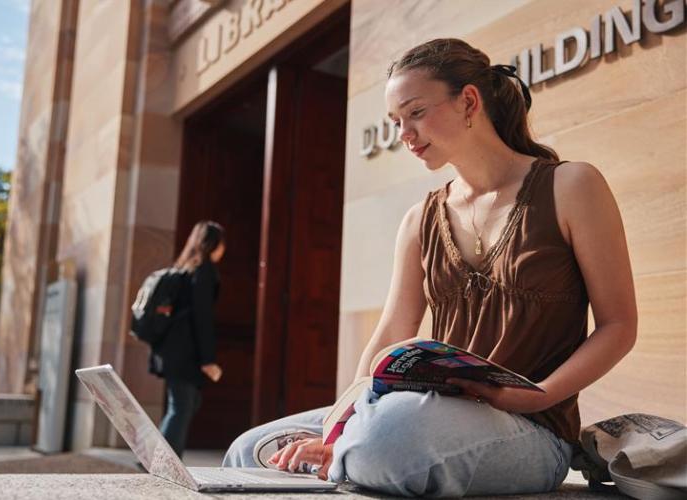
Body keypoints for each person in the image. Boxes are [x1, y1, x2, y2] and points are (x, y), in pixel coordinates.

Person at [222, 38, 637, 497]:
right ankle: (352, 450)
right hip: (424, 412)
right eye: (396, 122)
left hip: (532, 428)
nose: (405, 133)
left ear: (469, 102)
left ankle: (355, 452)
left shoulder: (572, 185)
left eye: (415, 112)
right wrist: (340, 426)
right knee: (250, 448)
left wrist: (537, 394)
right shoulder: (420, 219)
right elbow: (390, 333)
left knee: (388, 438)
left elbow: (618, 325)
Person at [157, 220, 226, 458]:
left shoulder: (185, 269)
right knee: (182, 406)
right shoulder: (204, 271)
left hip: (173, 351)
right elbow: (202, 317)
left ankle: (157, 456)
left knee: (186, 403)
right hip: (185, 353)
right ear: (213, 244)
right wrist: (208, 360)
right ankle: (161, 460)